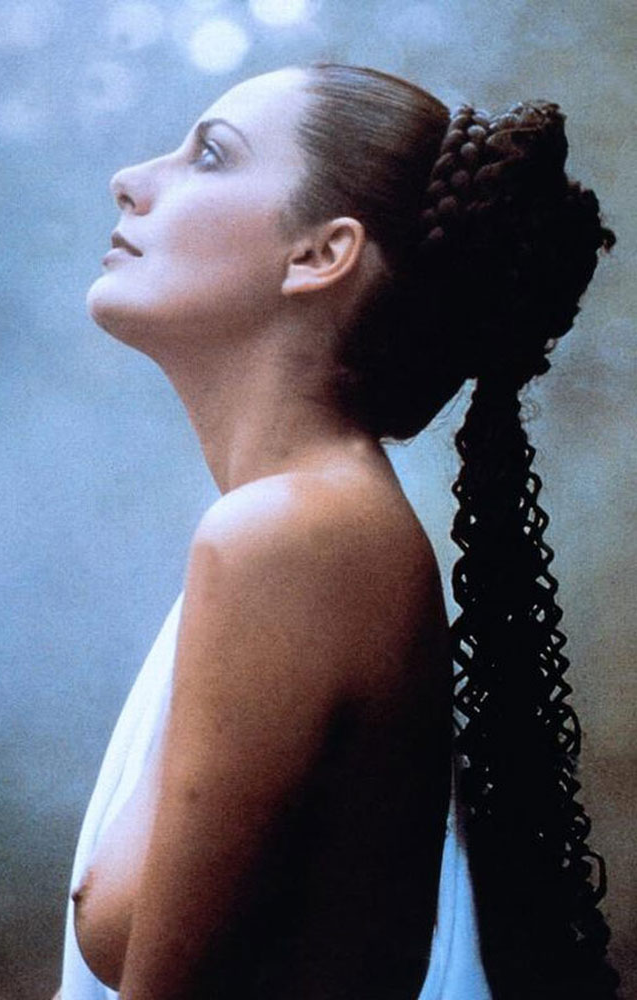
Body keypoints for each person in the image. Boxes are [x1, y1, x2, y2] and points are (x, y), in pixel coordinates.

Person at [56, 64, 617, 999]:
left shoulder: (295, 538)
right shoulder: (300, 525)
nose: (131, 178)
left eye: (210, 155)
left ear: (321, 254)